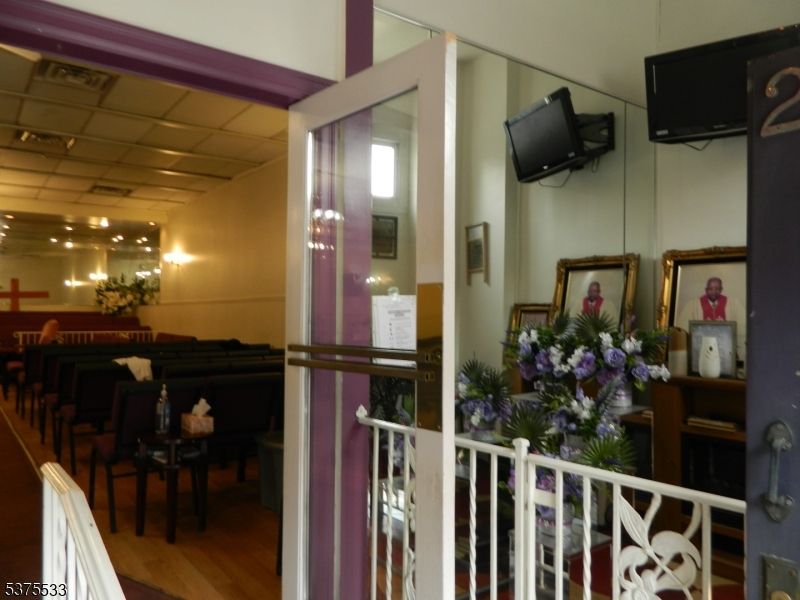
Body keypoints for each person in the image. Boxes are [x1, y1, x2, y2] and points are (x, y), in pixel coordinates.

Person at [676, 277, 746, 363]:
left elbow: (743, 328)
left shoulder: (734, 304)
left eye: (717, 289)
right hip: (701, 353)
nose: (714, 291)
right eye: (710, 289)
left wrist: (726, 329)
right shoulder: (693, 305)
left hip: (725, 353)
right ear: (706, 290)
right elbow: (682, 329)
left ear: (721, 289)